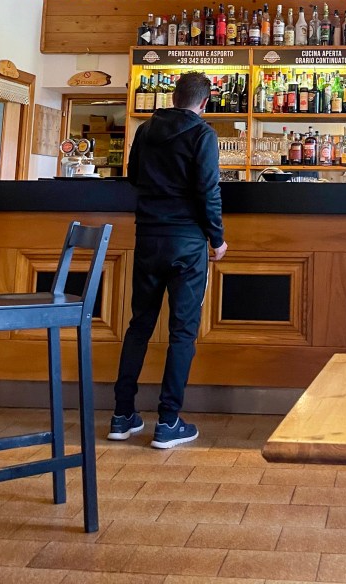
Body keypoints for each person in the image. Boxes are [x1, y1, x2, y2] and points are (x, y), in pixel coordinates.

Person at [109, 71, 227, 449]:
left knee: (139, 326)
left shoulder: (145, 130)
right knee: (182, 332)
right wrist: (217, 238)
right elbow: (208, 189)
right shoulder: (203, 134)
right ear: (204, 102)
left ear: (174, 97)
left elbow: (133, 177)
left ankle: (122, 415)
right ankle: (168, 421)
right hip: (187, 243)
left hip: (148, 237)